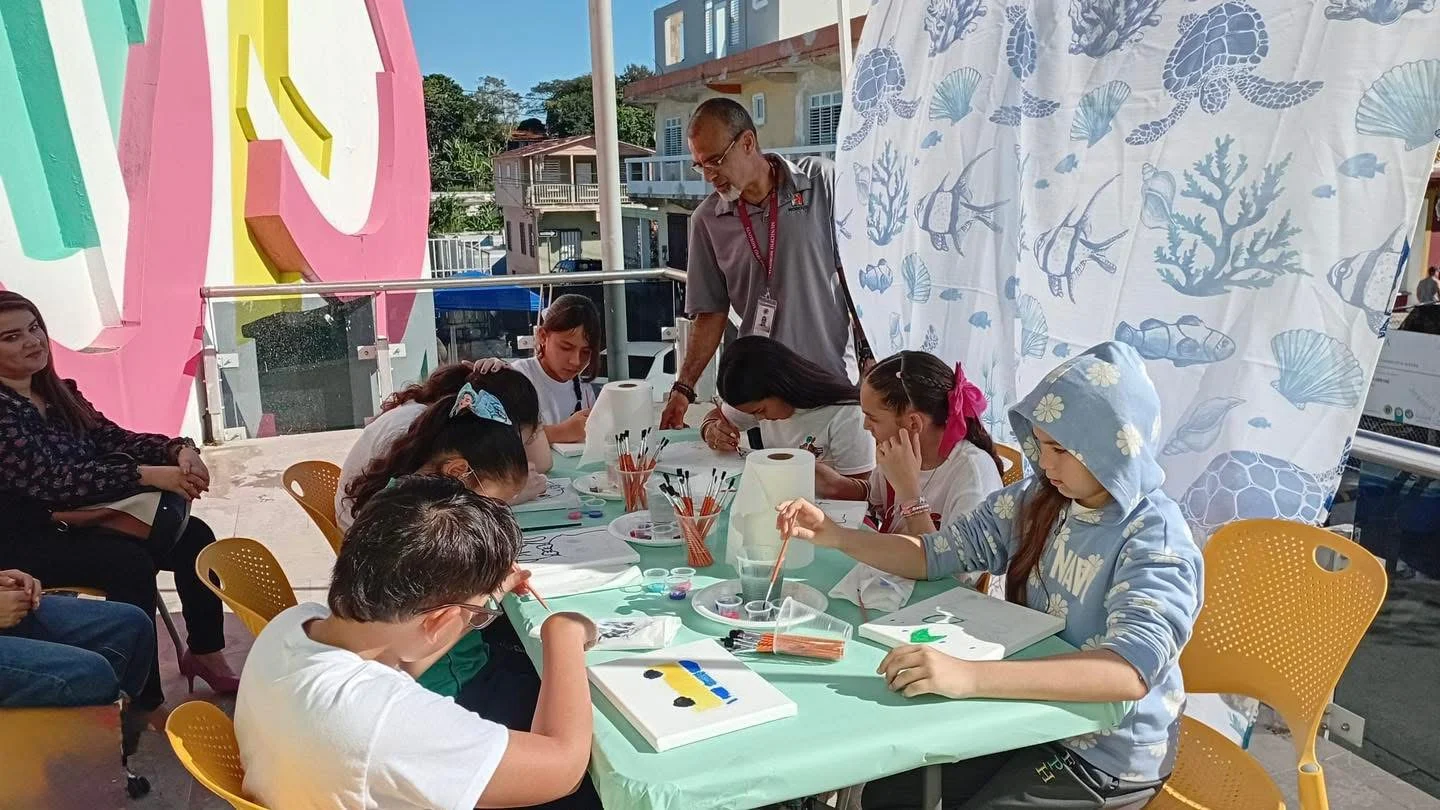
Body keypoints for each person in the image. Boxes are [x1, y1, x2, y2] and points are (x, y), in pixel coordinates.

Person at [777, 342, 1203, 809]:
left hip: (1103, 753)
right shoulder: (1037, 499)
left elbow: (1127, 672)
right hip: (1026, 716)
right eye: (1041, 445)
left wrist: (969, 676)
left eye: (1061, 449)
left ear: (1110, 447)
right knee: (892, 794)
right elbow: (936, 554)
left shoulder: (1155, 540)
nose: (1046, 463)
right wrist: (836, 535)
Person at [234, 476, 600, 810]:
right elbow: (562, 771)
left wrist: (484, 597)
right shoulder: (387, 723)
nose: (475, 619)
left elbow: (401, 660)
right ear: (438, 621)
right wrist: (562, 633)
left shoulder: (294, 625)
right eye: (474, 615)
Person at [0, 291, 236, 712]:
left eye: (34, 328)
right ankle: (141, 697)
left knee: (196, 537)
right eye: (12, 337)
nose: (32, 341)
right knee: (128, 563)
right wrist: (145, 475)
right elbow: (53, 481)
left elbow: (114, 438)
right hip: (26, 537)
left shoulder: (58, 394)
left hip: (83, 519)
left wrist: (177, 450)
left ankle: (205, 652)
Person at [659, 98, 864, 430]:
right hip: (764, 397)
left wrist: (872, 358)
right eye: (700, 165)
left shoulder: (820, 182)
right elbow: (710, 313)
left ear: (747, 142)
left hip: (834, 383)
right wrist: (683, 388)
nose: (709, 175)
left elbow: (859, 279)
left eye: (715, 161)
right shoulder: (707, 221)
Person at [336, 363, 551, 524]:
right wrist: (503, 499)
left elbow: (542, 462)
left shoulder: (441, 425)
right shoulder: (413, 431)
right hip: (359, 532)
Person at [830, 352, 1004, 536]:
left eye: (872, 418)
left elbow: (952, 555)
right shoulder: (896, 451)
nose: (866, 426)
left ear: (913, 423)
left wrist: (909, 492)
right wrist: (836, 485)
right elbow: (875, 500)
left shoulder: (972, 474)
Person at [703, 336, 874, 493]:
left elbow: (863, 492)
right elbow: (718, 415)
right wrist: (711, 429)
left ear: (780, 387)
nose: (759, 419)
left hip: (829, 511)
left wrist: (830, 484)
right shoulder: (759, 400)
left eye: (760, 411)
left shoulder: (846, 413)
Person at [509, 295, 601, 443]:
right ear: (543, 336)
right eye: (566, 347)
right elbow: (501, 439)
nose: (576, 361)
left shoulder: (585, 390)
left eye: (586, 352)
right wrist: (560, 432)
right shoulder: (518, 377)